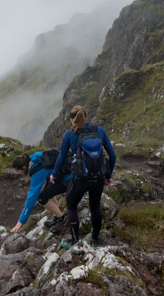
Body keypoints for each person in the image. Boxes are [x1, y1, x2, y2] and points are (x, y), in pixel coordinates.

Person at [50, 105, 116, 249]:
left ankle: (74, 241)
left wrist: (54, 174)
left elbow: (61, 156)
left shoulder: (70, 134)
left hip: (80, 178)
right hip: (98, 178)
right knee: (95, 206)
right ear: (86, 117)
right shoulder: (99, 131)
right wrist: (108, 175)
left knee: (71, 205)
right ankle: (96, 239)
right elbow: (112, 155)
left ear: (72, 120)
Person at [10, 149, 73, 233]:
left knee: (41, 198)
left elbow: (31, 198)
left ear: (24, 167)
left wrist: (20, 223)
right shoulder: (33, 157)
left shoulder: (37, 173)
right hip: (67, 173)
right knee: (46, 191)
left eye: (18, 171)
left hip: (68, 179)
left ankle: (62, 220)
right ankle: (57, 217)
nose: (18, 173)